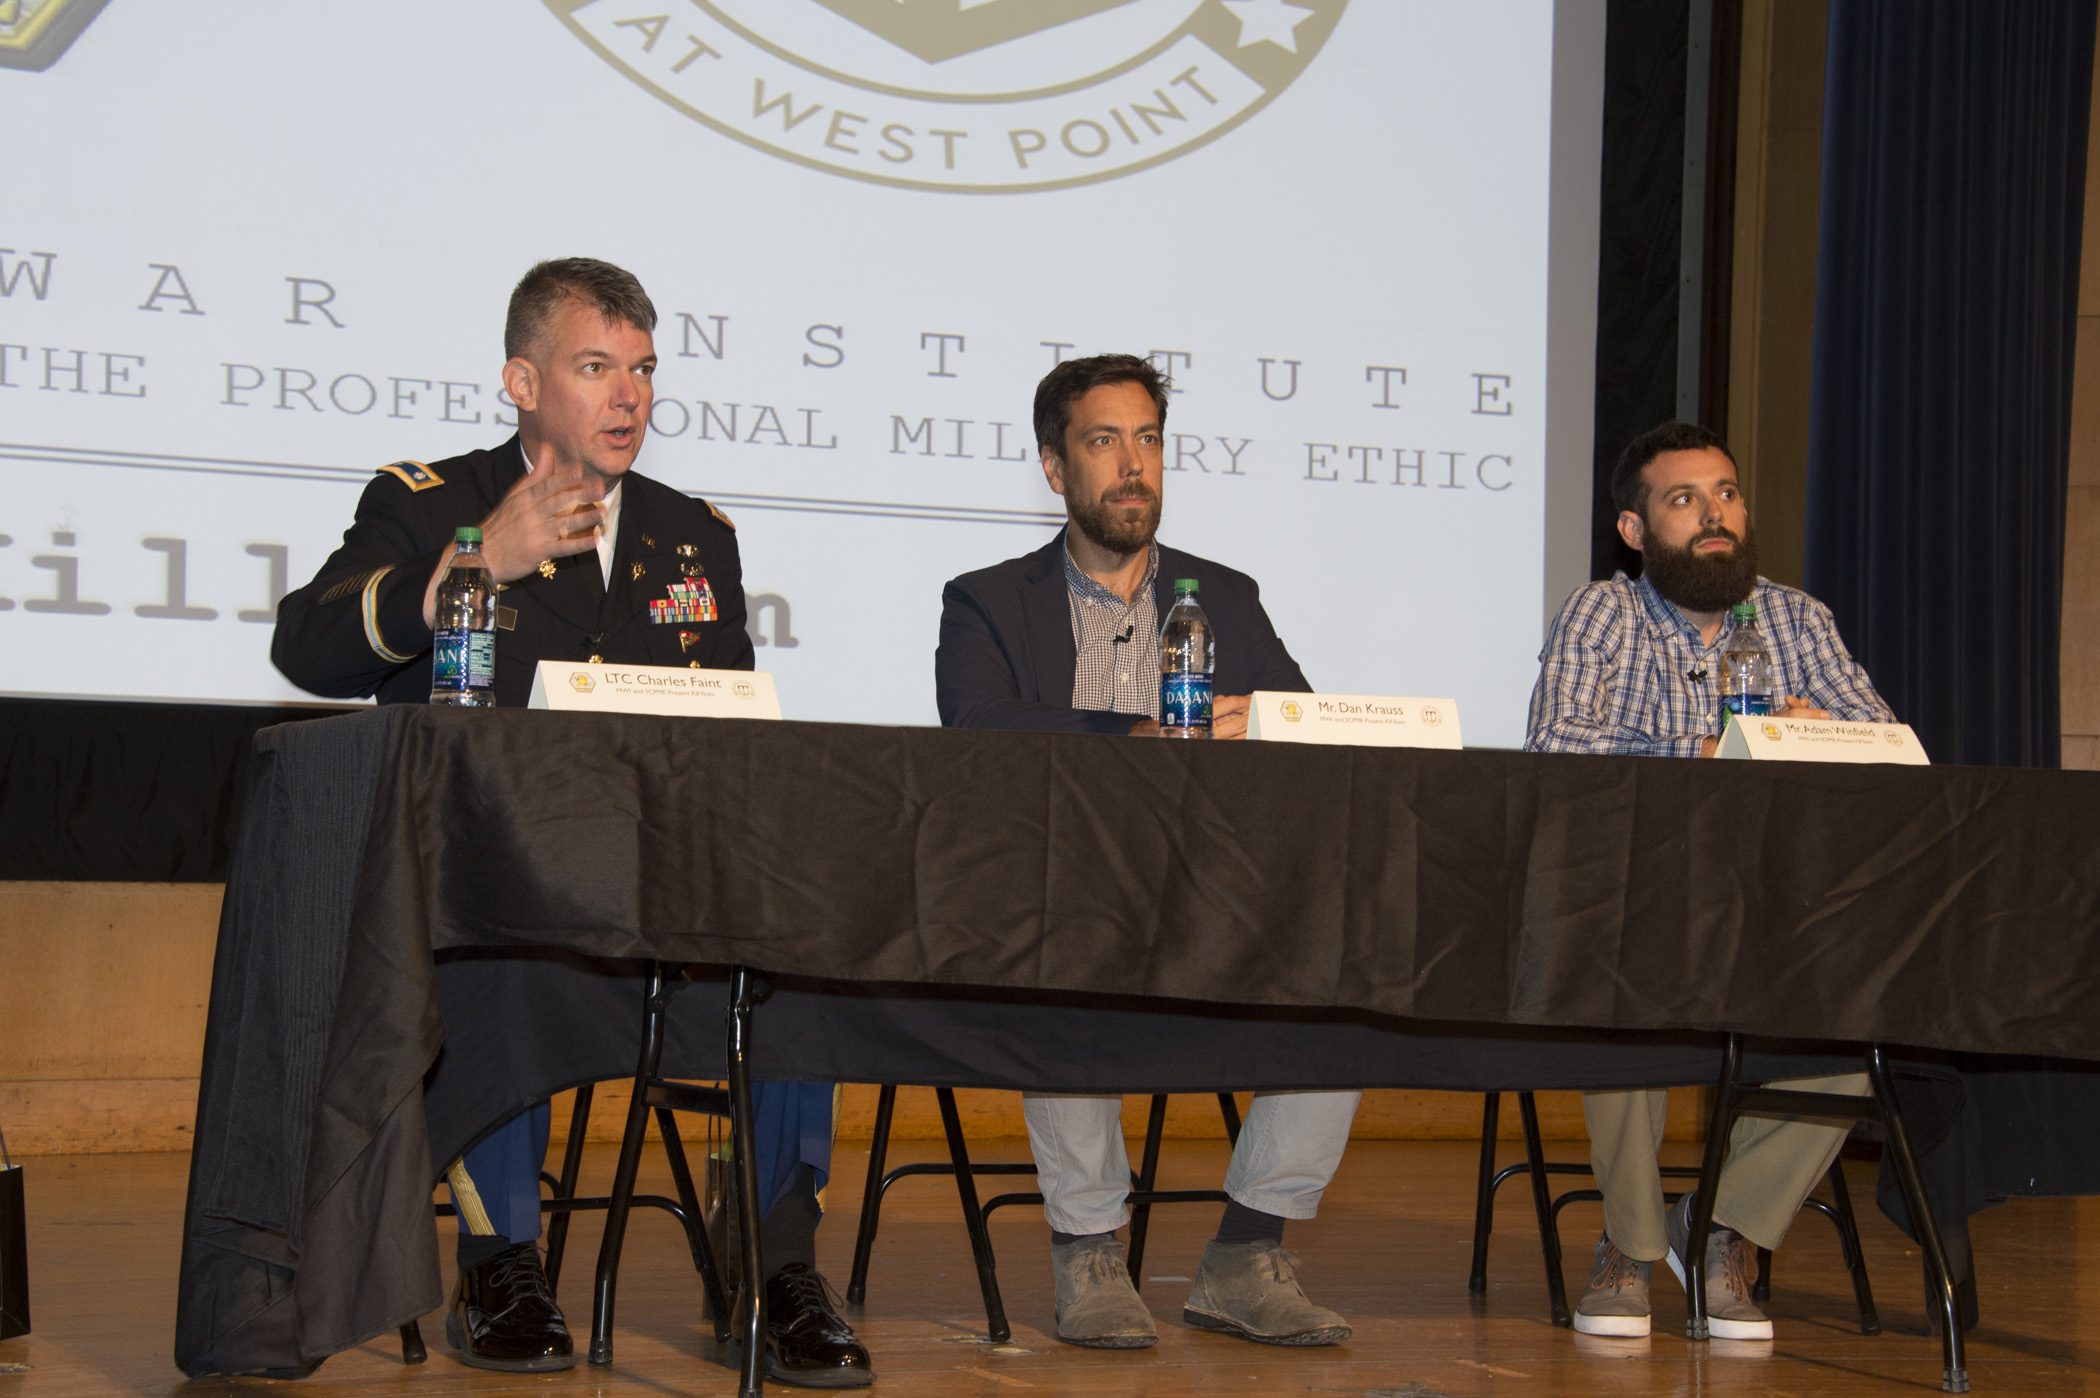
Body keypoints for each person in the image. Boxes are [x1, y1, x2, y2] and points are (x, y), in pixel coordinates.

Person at [271, 258, 870, 1389]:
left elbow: (730, 726)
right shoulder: (429, 502)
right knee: (497, 940)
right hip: (497, 884)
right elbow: (305, 645)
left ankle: (778, 1266)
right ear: (522, 381)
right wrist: (471, 564)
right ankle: (500, 1260)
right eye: (597, 368)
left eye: (642, 370)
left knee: (795, 949)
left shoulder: (694, 533)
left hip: (659, 890)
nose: (628, 396)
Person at [935, 353, 1361, 1350]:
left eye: (1149, 440)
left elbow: (1310, 725)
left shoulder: (1225, 598)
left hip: (1214, 895)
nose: (1133, 464)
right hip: (1065, 887)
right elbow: (977, 725)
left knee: (1349, 959)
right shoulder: (989, 600)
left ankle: (1246, 1253)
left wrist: (1268, 720)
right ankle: (1088, 1248)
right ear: (1055, 468)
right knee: (1061, 938)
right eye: (1104, 441)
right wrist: (1128, 737)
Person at [1525, 419, 1885, 1341]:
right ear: (1635, 530)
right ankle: (1630, 1245)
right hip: (1640, 901)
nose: (1714, 515)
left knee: (1864, 1012)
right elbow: (1556, 749)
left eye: (1725, 494)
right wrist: (1720, 748)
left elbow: (1890, 750)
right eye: (1684, 500)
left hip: (1779, 912)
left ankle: (1721, 1228)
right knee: (1618, 1000)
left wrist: (1819, 735)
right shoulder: (1602, 614)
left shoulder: (1798, 620)